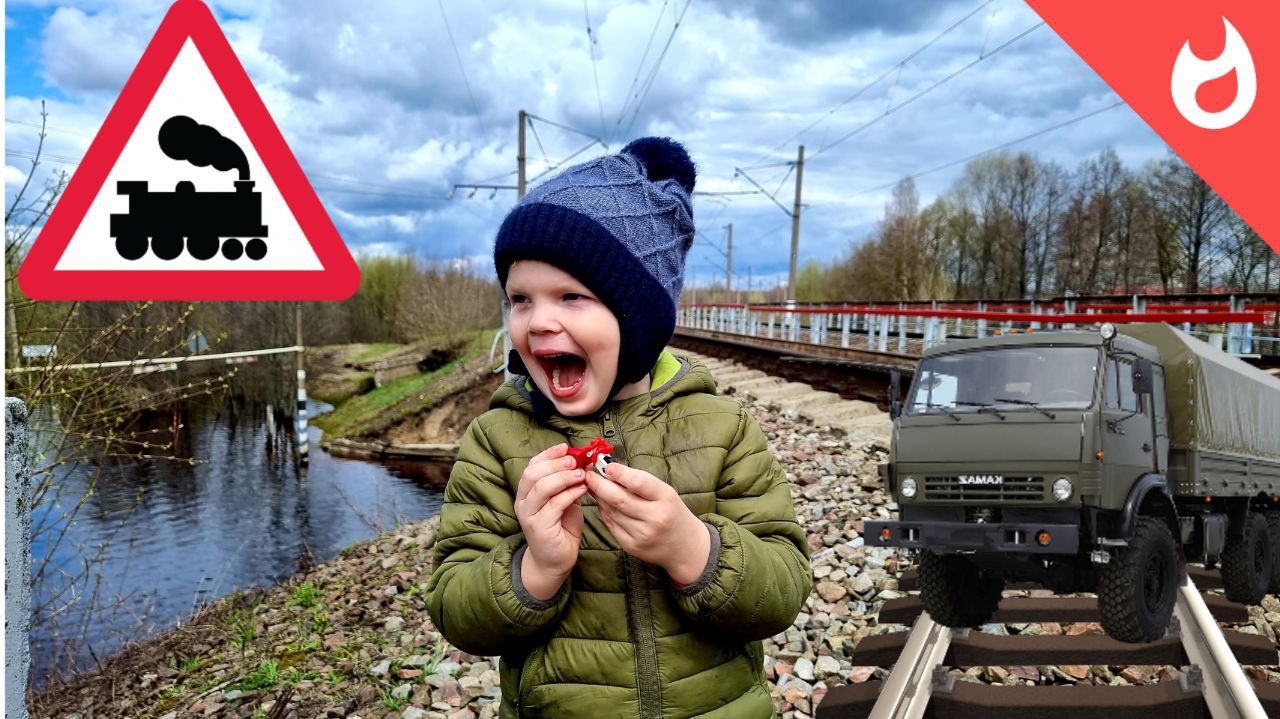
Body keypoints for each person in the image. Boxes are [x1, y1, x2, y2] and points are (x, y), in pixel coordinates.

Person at [425, 137, 811, 719]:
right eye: (520, 299)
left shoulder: (723, 427)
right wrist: (536, 568)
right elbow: (455, 608)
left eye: (572, 296)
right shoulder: (496, 441)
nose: (538, 322)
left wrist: (691, 548)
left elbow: (783, 587)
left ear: (637, 320)